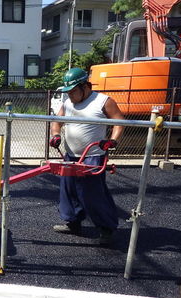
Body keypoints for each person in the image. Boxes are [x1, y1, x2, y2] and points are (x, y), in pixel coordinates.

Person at [49, 67, 125, 245]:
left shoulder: (103, 101)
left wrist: (112, 141)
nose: (70, 95)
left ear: (85, 86)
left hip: (93, 155)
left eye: (73, 91)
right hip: (71, 155)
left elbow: (119, 122)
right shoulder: (67, 103)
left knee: (92, 194)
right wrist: (55, 135)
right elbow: (57, 122)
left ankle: (106, 229)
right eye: (68, 92)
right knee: (68, 191)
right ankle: (73, 223)